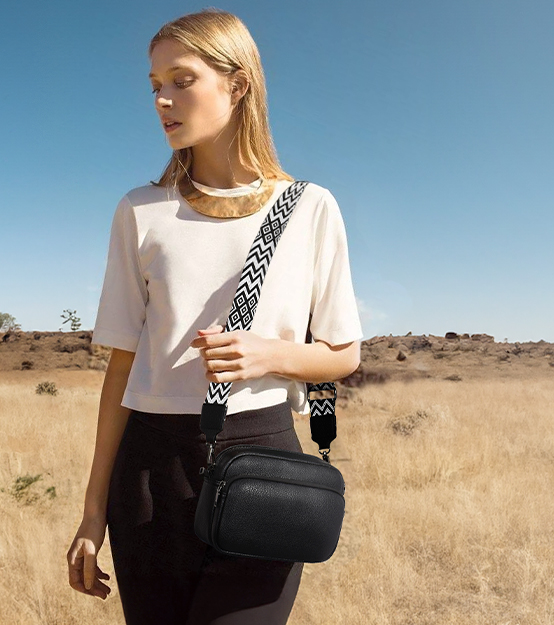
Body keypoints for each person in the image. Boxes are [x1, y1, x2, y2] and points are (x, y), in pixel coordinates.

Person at [65, 9, 363, 623]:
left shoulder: (309, 208)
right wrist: (93, 513)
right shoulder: (141, 211)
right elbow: (121, 370)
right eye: (154, 86)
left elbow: (343, 354)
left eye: (181, 79)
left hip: (263, 457)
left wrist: (268, 354)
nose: (162, 100)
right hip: (148, 474)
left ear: (238, 83)